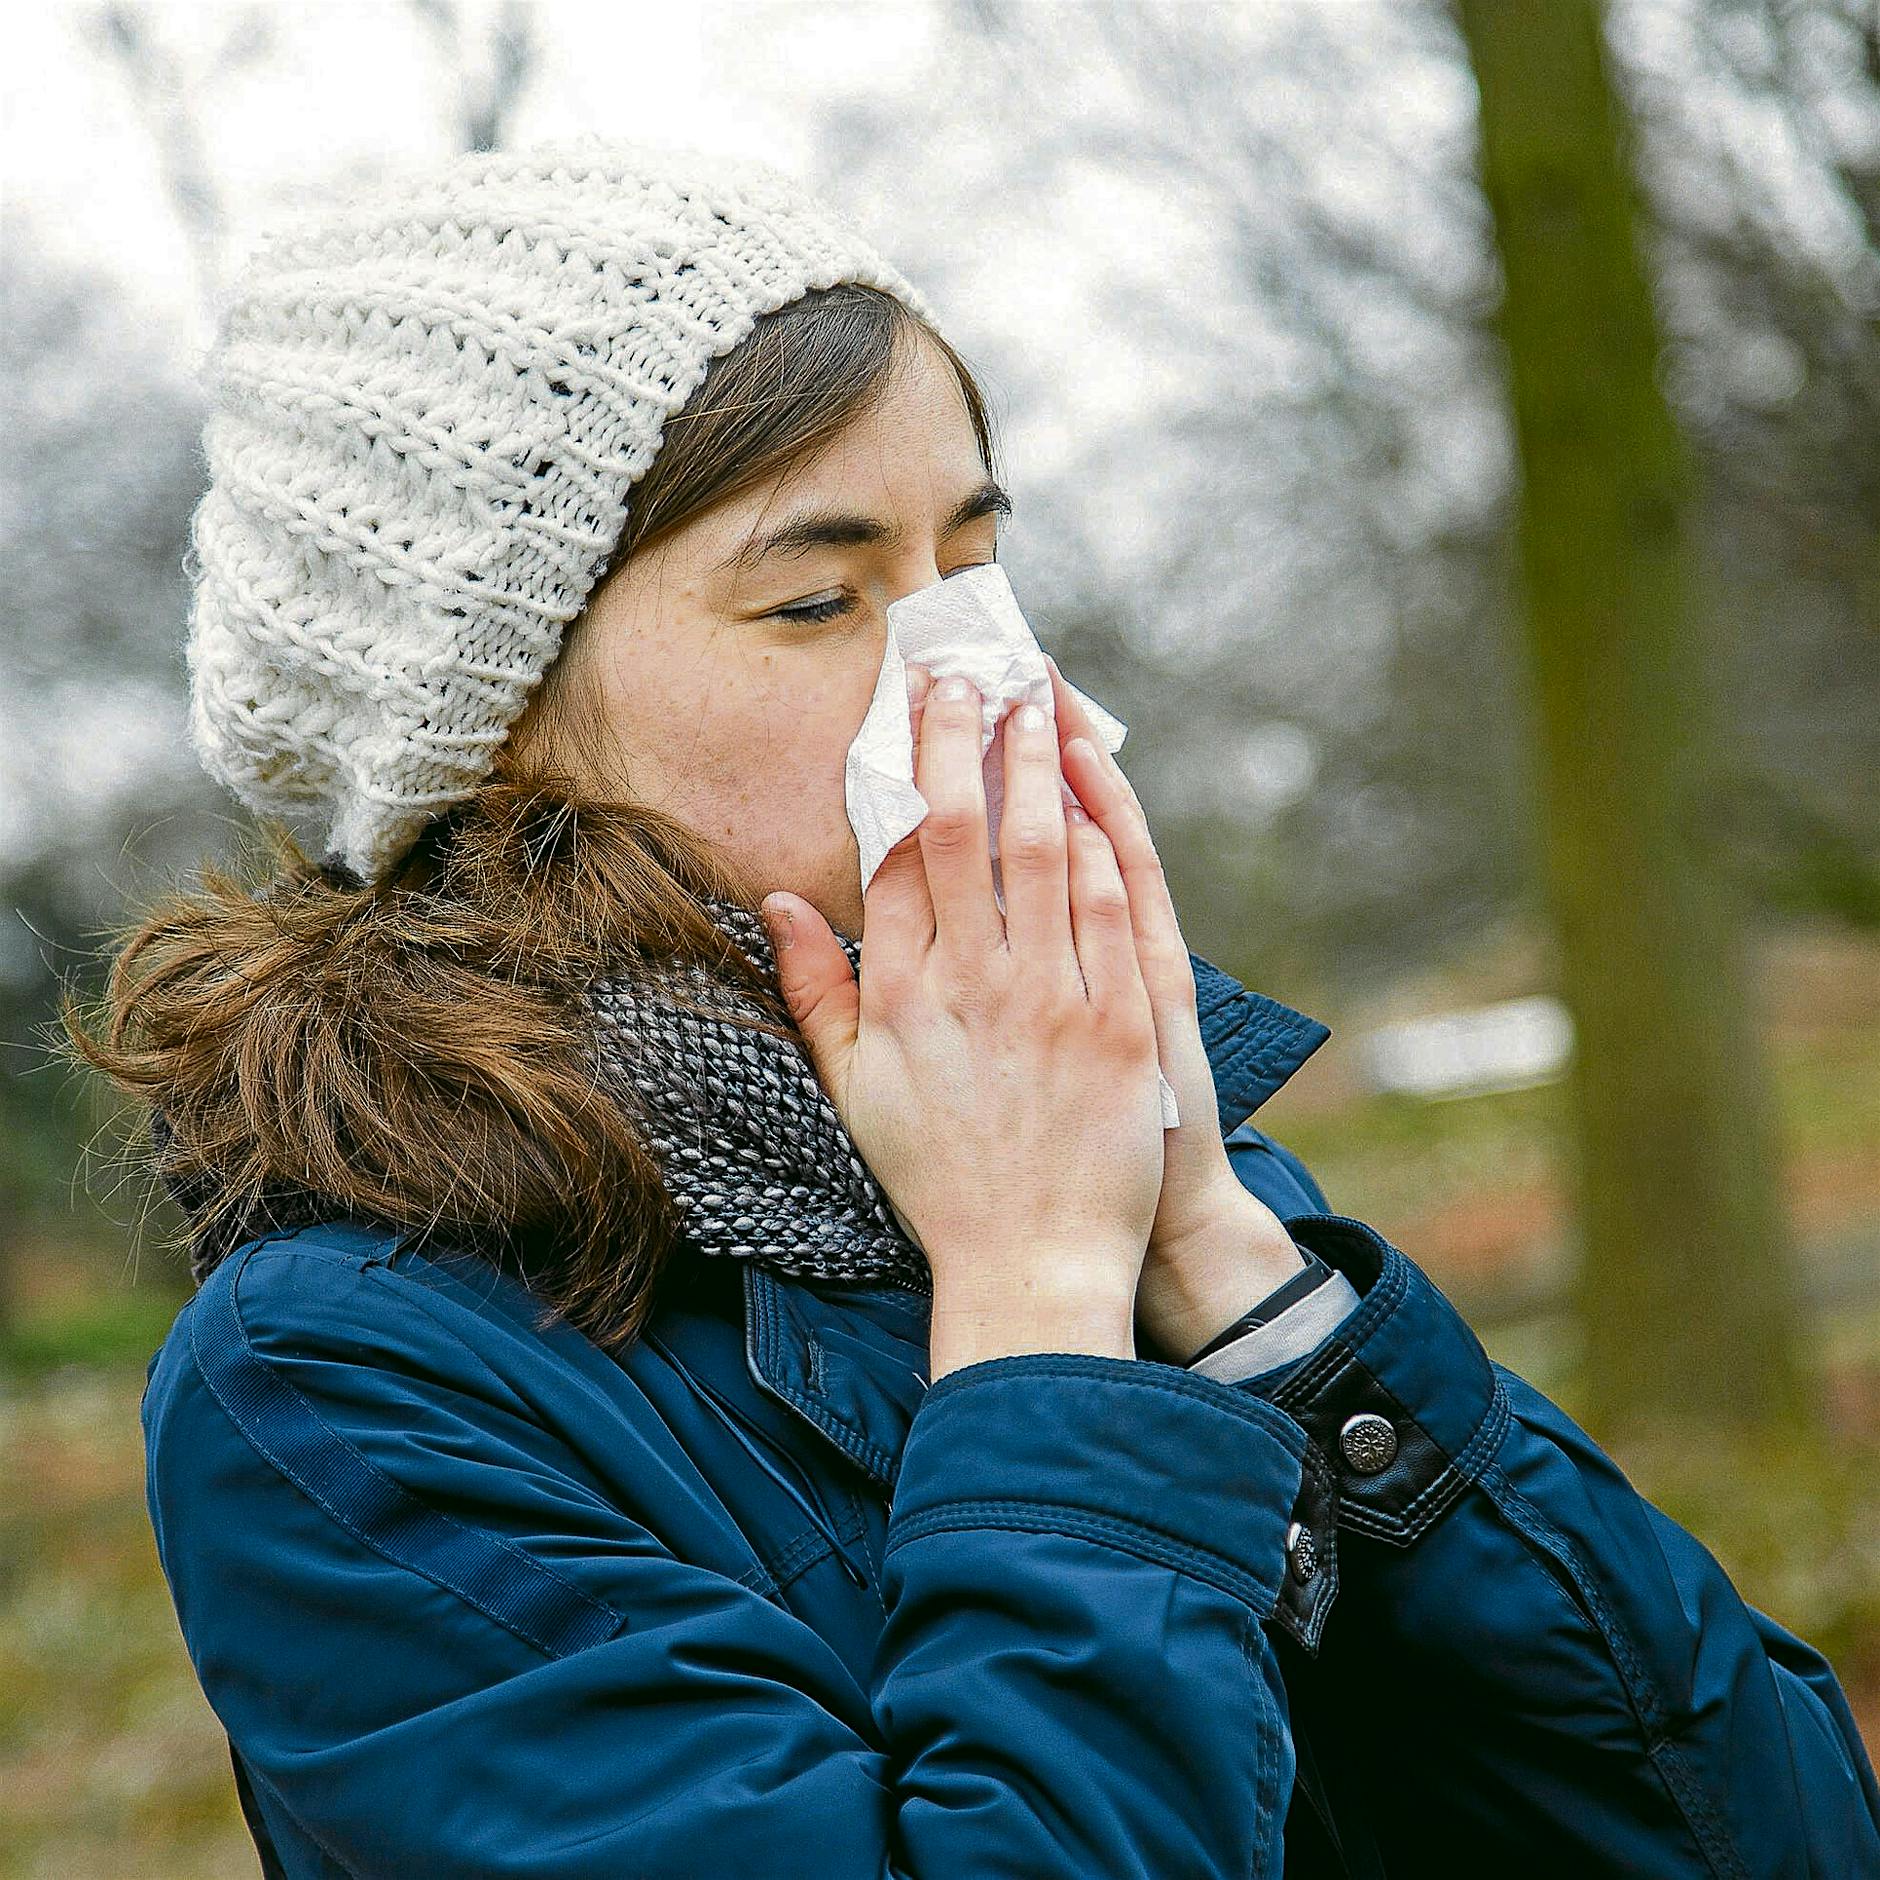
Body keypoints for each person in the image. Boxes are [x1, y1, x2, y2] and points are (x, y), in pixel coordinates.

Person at [65, 137, 1875, 1879]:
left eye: (974, 564)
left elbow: (1773, 1834)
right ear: (493, 730)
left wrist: (1235, 1277)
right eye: (818, 598)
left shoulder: (1099, 1144)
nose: (983, 676)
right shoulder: (338, 1388)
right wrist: (1035, 1308)